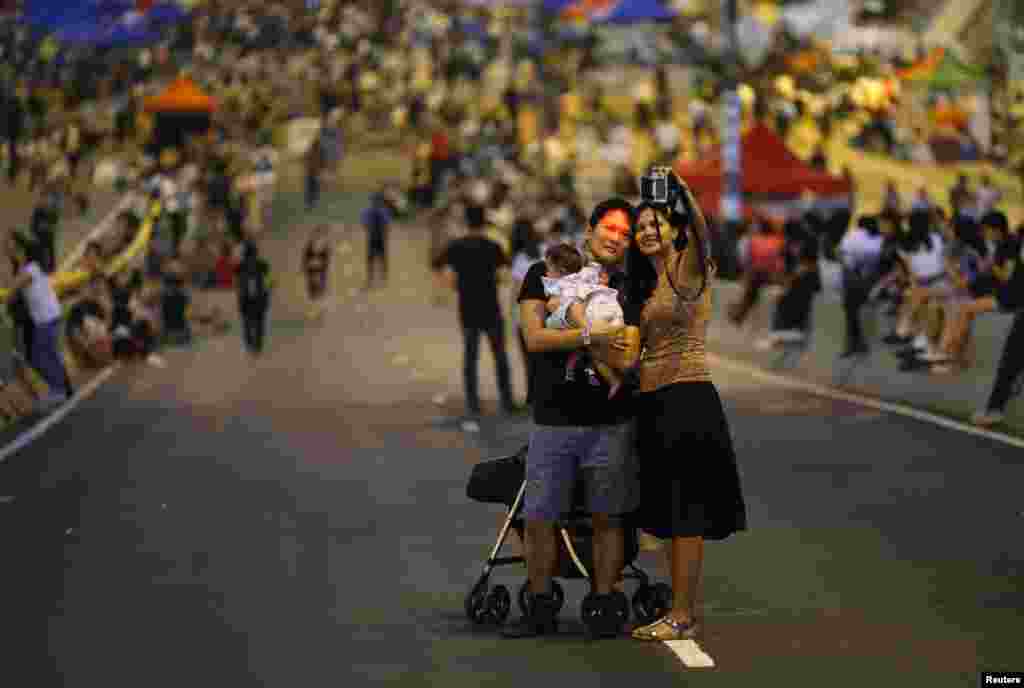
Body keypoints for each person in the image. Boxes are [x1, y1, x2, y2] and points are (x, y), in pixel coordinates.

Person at [502, 198, 639, 640]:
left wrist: (601, 342)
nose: (616, 237)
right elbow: (535, 338)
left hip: (611, 422)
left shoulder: (629, 287)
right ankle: (538, 604)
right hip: (553, 420)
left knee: (607, 518)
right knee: (540, 516)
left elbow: (629, 351)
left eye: (625, 233)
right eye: (610, 227)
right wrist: (590, 335)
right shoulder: (542, 275)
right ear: (591, 228)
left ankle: (603, 603)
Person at [626, 171, 747, 641]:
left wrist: (681, 192)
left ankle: (681, 616)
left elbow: (703, 231)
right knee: (671, 516)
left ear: (673, 229)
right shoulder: (647, 284)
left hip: (688, 398)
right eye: (641, 227)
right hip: (655, 403)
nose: (647, 231)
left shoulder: (687, 267)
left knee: (686, 514)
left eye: (656, 223)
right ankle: (677, 611)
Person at [432, 202, 516, 421]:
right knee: (500, 355)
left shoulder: (457, 246)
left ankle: (472, 402)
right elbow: (504, 275)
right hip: (491, 307)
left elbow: (440, 267)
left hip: (468, 308)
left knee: (471, 357)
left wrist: (455, 284)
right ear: (483, 221)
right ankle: (507, 399)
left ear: (466, 222)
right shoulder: (493, 246)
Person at [542, 240, 628, 397]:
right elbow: (597, 272)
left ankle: (613, 380)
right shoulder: (586, 273)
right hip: (611, 308)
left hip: (594, 318)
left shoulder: (564, 284)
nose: (546, 273)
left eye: (548, 269)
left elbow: (564, 305)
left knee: (594, 350)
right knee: (612, 348)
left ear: (560, 270)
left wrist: (586, 331)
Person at [2, 232, 70, 410]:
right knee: (42, 356)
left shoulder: (31, 268)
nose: (4, 247)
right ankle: (59, 389)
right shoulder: (23, 268)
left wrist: (7, 289)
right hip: (44, 319)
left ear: (18, 247)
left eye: (8, 244)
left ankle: (59, 390)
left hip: (48, 318)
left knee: (42, 356)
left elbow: (12, 290)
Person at [236, 240, 272, 355]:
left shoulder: (239, 267)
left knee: (246, 323)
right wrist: (268, 291)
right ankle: (257, 346)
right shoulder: (263, 265)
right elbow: (269, 282)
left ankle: (249, 345)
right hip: (260, 299)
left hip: (245, 300)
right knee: (259, 324)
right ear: (256, 252)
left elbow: (237, 284)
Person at [362, 191, 392, 290]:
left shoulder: (367, 211)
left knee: (373, 259)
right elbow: (387, 226)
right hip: (379, 238)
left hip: (374, 238)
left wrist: (369, 228)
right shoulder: (383, 211)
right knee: (380, 259)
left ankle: (372, 279)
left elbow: (364, 224)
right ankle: (380, 278)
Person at [303, 224, 332, 320]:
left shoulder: (325, 246)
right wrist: (306, 267)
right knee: (312, 291)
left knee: (319, 290)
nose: (319, 236)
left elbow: (326, 260)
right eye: (317, 234)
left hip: (320, 271)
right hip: (312, 270)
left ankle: (318, 309)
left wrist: (321, 268)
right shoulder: (310, 245)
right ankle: (313, 309)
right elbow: (305, 258)